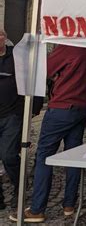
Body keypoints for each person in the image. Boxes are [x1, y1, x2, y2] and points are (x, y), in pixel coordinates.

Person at [12, 45, 86, 223]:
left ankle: (37, 208)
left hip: (62, 107)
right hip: (82, 106)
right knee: (73, 156)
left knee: (44, 155)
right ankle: (69, 204)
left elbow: (44, 70)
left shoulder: (68, 46)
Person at [0, 29, 23, 212]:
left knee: (8, 155)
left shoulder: (16, 57)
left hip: (11, 116)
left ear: (4, 37)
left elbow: (28, 81)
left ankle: (19, 187)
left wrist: (28, 110)